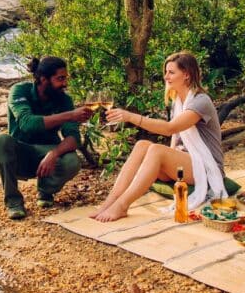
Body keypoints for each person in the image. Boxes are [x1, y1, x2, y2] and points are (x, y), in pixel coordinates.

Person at [90, 51, 226, 222]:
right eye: (166, 72)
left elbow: (170, 128)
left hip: (206, 167)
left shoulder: (200, 101)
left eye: (171, 72)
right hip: (185, 163)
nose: (166, 76)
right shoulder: (178, 100)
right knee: (142, 145)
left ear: (186, 75)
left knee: (156, 150)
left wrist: (131, 116)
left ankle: (122, 206)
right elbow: (175, 139)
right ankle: (109, 202)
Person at [0, 56, 92, 220]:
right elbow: (27, 123)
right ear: (43, 79)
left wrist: (54, 154)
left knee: (72, 161)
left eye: (65, 78)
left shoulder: (64, 100)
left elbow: (73, 138)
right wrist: (70, 115)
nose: (65, 83)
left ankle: (45, 192)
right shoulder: (20, 91)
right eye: (60, 78)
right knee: (1, 141)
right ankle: (13, 202)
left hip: (48, 154)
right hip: (20, 153)